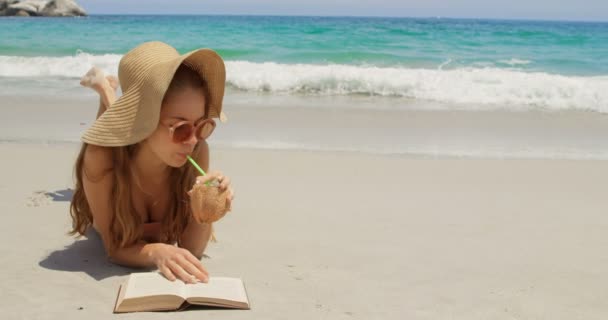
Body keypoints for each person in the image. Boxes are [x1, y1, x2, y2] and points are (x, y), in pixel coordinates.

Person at [68, 41, 235, 284]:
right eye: (180, 128)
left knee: (138, 139)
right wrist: (155, 252)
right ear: (143, 121)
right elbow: (114, 247)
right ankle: (105, 89)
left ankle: (107, 90)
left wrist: (205, 212)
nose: (192, 141)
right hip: (115, 165)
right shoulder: (101, 159)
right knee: (113, 136)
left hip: (139, 137)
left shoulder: (197, 150)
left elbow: (192, 250)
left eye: (201, 126)